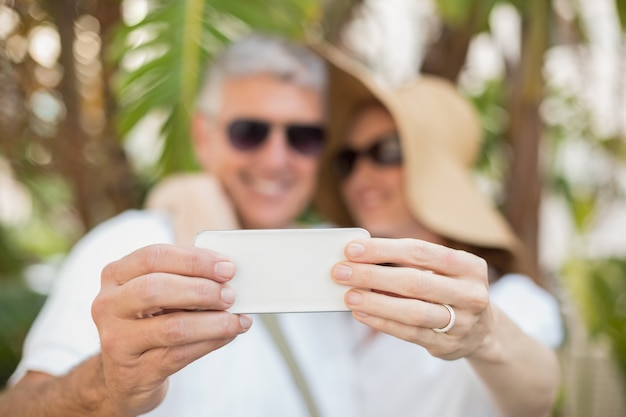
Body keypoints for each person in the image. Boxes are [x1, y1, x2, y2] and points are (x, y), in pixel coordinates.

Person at [0, 32, 328, 416]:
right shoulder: (132, 244)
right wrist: (106, 385)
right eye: (249, 133)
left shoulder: (339, 266)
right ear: (203, 136)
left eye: (303, 137)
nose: (276, 159)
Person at [313, 43, 564, 416]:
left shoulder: (510, 301)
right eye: (347, 159)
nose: (360, 177)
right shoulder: (325, 300)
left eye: (387, 151)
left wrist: (486, 335)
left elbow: (537, 395)